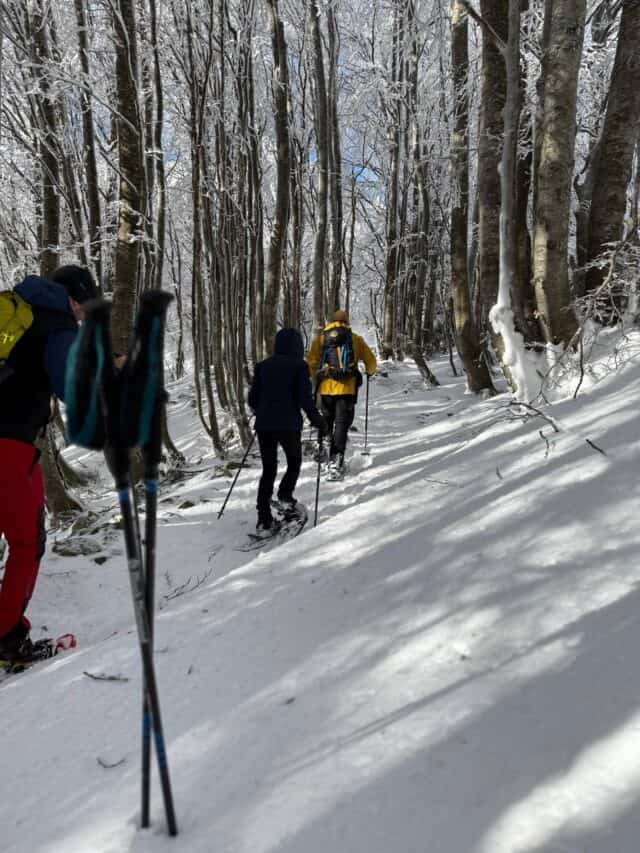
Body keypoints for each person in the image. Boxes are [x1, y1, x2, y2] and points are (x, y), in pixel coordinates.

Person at [0, 265, 98, 664]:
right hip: (10, 446)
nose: (82, 315)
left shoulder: (14, 311)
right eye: (84, 307)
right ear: (72, 297)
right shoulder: (56, 322)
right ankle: (7, 639)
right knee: (27, 544)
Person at [248, 328, 327, 535]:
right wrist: (319, 421)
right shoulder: (299, 366)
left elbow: (252, 400)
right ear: (297, 346)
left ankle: (264, 519)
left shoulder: (262, 366)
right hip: (288, 425)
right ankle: (285, 495)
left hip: (264, 425)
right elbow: (305, 399)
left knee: (268, 470)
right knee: (294, 461)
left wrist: (263, 411)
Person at [307, 309, 377, 476]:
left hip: (326, 390)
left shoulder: (322, 339)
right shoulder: (355, 339)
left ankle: (323, 447)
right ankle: (336, 461)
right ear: (346, 323)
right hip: (347, 389)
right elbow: (372, 363)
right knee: (341, 425)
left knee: (326, 420)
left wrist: (316, 377)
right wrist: (369, 371)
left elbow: (311, 362)